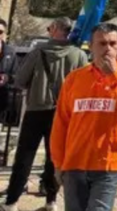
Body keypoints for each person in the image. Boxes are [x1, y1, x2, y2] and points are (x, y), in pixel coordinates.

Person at [51, 23, 117, 211]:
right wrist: (58, 162)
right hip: (74, 162)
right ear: (91, 46)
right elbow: (61, 122)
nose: (108, 48)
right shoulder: (75, 78)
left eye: (113, 43)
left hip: (109, 164)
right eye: (102, 43)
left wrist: (113, 76)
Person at [2, 17, 88, 211]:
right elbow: (84, 86)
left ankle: (12, 202)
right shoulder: (79, 55)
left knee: (24, 157)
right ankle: (51, 201)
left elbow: (20, 80)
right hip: (64, 114)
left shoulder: (38, 52)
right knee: (55, 157)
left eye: (49, 28)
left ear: (55, 29)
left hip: (36, 110)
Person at [0, 20, 17, 123]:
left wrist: (7, 78)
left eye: (0, 32)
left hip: (1, 98)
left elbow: (16, 75)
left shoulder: (10, 51)